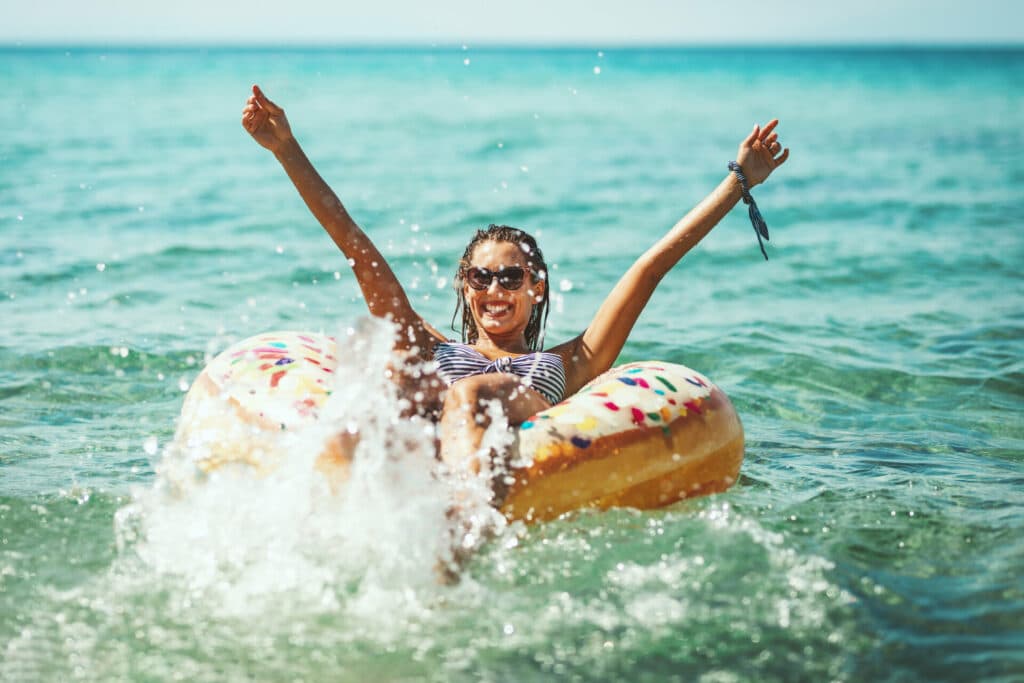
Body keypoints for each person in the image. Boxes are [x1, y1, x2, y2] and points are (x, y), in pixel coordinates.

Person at [240, 84, 789, 501]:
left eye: (510, 277)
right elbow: (358, 250)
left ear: (536, 287)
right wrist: (286, 149)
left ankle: (460, 527)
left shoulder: (572, 360)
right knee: (398, 380)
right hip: (434, 438)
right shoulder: (432, 347)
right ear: (465, 286)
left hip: (508, 433)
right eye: (480, 277)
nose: (494, 289)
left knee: (472, 395)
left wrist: (738, 182)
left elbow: (650, 268)